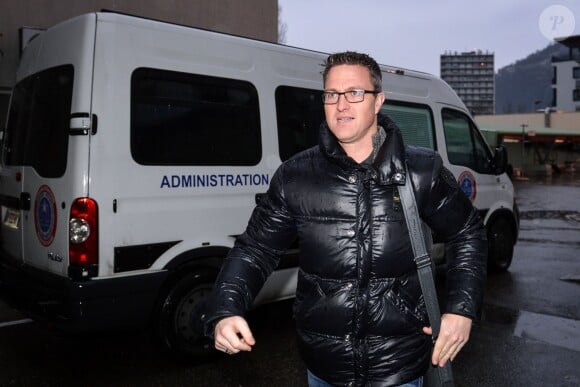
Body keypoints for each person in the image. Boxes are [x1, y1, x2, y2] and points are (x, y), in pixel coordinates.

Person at [202, 51, 487, 386]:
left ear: (378, 101)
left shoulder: (421, 171)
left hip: (398, 366)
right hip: (324, 368)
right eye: (331, 94)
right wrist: (225, 308)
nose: (341, 105)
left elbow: (468, 232)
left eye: (354, 93)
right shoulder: (296, 176)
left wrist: (461, 309)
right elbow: (255, 249)